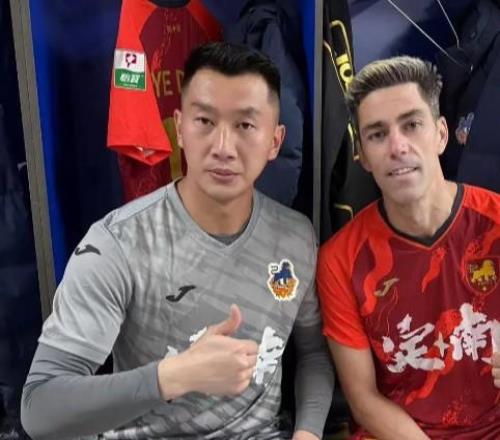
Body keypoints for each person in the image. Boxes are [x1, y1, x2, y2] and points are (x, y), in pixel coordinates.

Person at [21, 42, 333, 440]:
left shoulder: (296, 236)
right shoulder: (119, 242)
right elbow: (40, 409)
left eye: (245, 125)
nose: (223, 148)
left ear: (275, 141)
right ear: (180, 128)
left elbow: (313, 352)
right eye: (205, 121)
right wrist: (174, 376)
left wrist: (308, 433)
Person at [316, 56, 500, 440]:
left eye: (412, 125)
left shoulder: (495, 223)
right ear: (362, 155)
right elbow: (363, 399)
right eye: (377, 134)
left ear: (441, 134)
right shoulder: (340, 259)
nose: (397, 146)